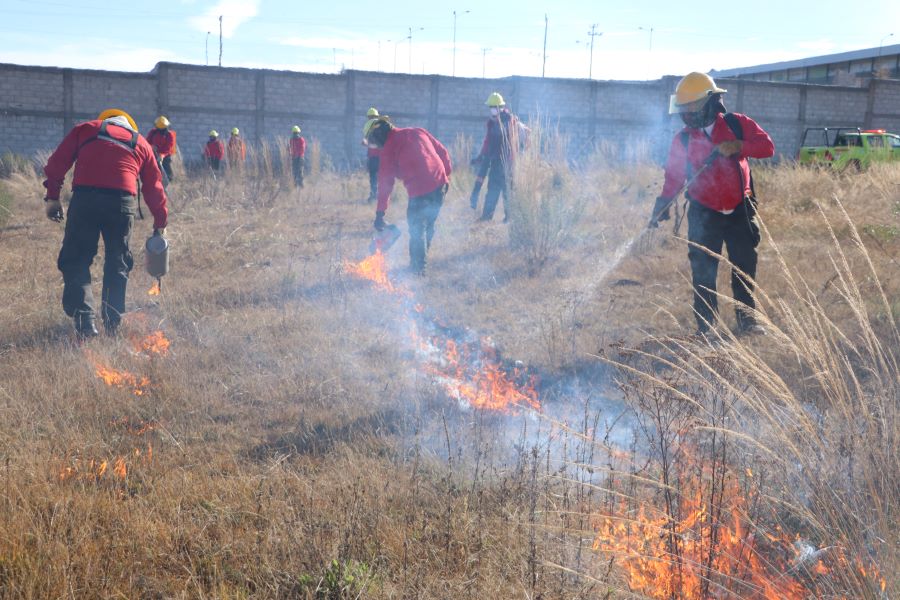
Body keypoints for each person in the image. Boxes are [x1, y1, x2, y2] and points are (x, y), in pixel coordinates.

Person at [649, 72, 775, 336]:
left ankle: (748, 322)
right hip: (704, 213)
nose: (688, 113)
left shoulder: (737, 124)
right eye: (685, 108)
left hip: (740, 210)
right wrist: (663, 203)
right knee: (703, 273)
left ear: (710, 103)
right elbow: (673, 177)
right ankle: (706, 327)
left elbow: (767, 147)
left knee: (744, 268)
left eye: (693, 107)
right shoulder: (683, 139)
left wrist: (738, 145)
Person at [42, 108, 168, 338]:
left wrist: (52, 197)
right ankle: (112, 322)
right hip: (121, 204)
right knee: (117, 262)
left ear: (104, 121)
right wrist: (160, 222)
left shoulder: (87, 129)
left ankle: (85, 320)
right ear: (129, 126)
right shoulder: (141, 142)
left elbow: (57, 163)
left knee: (77, 258)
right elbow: (154, 187)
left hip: (85, 200)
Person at [364, 117, 452, 276]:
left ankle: (417, 271)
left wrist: (380, 214)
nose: (375, 146)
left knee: (417, 230)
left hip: (420, 191)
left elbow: (385, 183)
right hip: (440, 185)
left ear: (377, 136)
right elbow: (443, 153)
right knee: (428, 225)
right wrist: (445, 178)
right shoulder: (417, 131)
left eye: (373, 142)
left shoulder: (388, 149)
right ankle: (421, 261)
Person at [470, 92, 523, 222]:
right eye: (490, 107)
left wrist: (510, 164)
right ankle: (487, 218)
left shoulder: (509, 120)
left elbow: (514, 143)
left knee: (508, 193)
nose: (491, 109)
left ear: (500, 107)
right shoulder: (492, 123)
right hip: (495, 162)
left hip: (507, 164)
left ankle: (509, 220)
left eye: (494, 106)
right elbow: (487, 142)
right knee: (492, 191)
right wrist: (481, 156)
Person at [146, 115, 177, 183]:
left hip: (165, 156)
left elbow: (168, 148)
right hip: (153, 155)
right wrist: (151, 147)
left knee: (167, 172)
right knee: (153, 171)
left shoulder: (170, 135)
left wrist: (162, 155)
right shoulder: (153, 132)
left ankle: (167, 183)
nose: (161, 131)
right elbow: (147, 142)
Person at [363, 107, 381, 202]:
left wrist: (366, 143)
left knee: (373, 177)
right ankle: (382, 197)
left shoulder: (369, 128)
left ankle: (373, 196)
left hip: (373, 157)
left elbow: (366, 141)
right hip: (383, 158)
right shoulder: (383, 127)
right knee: (383, 178)